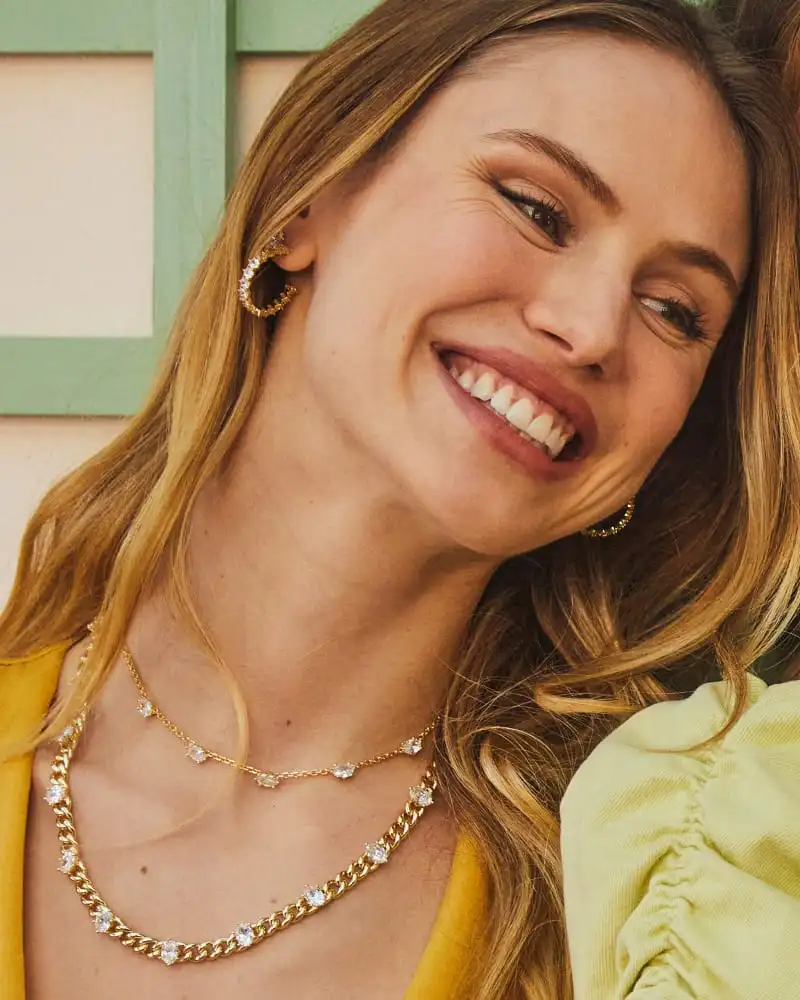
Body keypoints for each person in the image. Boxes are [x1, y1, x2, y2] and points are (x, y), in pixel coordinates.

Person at [2, 1, 800, 998]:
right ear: (307, 197)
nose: (593, 326)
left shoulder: (665, 894)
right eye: (536, 208)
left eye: (674, 310)